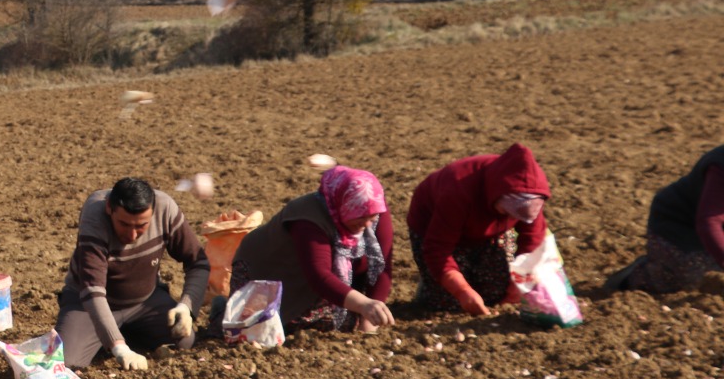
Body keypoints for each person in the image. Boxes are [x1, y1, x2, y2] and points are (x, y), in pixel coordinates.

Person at [54, 177, 210, 370]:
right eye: (124, 224)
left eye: (141, 226)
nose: (132, 235)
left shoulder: (165, 208)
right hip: (88, 305)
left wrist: (187, 306)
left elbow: (198, 261)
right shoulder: (94, 216)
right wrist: (119, 347)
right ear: (109, 208)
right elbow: (92, 291)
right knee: (66, 363)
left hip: (144, 302)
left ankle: (124, 333)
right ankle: (113, 336)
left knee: (185, 342)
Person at [226, 166, 395, 334]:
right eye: (359, 217)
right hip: (274, 273)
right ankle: (223, 308)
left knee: (342, 323)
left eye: (371, 219)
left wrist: (369, 321)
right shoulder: (308, 218)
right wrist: (363, 304)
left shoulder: (373, 208)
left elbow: (381, 265)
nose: (366, 225)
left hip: (326, 279)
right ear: (344, 205)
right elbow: (319, 275)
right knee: (270, 330)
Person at [406, 143, 551, 316]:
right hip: (435, 226)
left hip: (491, 230)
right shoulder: (458, 190)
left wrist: (517, 284)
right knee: (450, 303)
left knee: (495, 292)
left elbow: (532, 240)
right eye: (506, 211)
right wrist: (462, 291)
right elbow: (437, 249)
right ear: (497, 198)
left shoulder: (530, 194)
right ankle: (429, 286)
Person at [606, 144, 724, 293]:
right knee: (696, 276)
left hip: (715, 230)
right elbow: (709, 222)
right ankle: (638, 275)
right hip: (678, 226)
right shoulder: (720, 166)